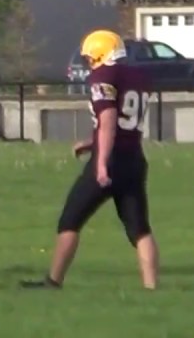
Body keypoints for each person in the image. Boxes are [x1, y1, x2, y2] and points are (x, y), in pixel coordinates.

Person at [22, 29, 159, 290]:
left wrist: (101, 163)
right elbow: (124, 124)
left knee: (70, 220)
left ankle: (53, 281)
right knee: (139, 229)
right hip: (134, 159)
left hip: (111, 160)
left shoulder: (104, 75)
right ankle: (151, 288)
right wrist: (90, 142)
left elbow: (108, 122)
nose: (88, 63)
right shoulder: (139, 76)